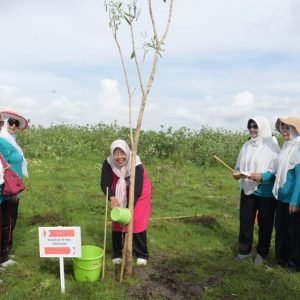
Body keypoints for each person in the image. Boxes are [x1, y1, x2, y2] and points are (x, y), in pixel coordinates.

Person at [233, 117, 280, 265]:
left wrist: (261, 176)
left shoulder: (272, 146)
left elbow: (275, 170)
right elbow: (239, 165)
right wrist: (237, 173)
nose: (252, 129)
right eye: (250, 126)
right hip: (247, 189)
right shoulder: (246, 145)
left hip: (265, 192)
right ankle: (244, 251)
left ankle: (261, 253)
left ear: (263, 127)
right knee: (245, 221)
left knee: (265, 224)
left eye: (255, 127)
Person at [100, 139, 152, 266]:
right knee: (118, 218)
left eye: (122, 153)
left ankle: (141, 254)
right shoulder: (108, 163)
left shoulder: (136, 164)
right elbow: (105, 183)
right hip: (118, 192)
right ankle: (117, 253)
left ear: (127, 153)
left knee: (136, 219)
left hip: (139, 193)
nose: (119, 157)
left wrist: (129, 209)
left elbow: (137, 189)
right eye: (116, 153)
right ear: (112, 154)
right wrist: (112, 197)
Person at [0, 111, 29, 268]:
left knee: (10, 220)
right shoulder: (3, 141)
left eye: (16, 123)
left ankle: (6, 250)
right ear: (5, 123)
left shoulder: (11, 140)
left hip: (13, 184)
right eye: (10, 122)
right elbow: (3, 167)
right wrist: (12, 190)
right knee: (8, 220)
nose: (13, 125)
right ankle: (3, 255)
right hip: (8, 187)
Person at [272, 117, 300, 271]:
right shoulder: (285, 147)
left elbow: (299, 179)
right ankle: (281, 259)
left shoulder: (298, 148)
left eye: (288, 128)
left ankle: (294, 263)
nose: (284, 131)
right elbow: (277, 173)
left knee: (293, 233)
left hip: (292, 200)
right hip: (281, 199)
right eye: (282, 128)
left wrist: (295, 201)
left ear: (295, 130)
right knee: (281, 230)